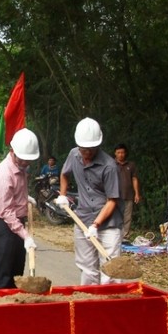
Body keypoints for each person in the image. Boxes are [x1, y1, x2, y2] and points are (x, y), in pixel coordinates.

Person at [57, 118, 122, 285]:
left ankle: (109, 305)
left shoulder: (109, 166)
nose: (86, 153)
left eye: (91, 149)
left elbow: (112, 201)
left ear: (98, 146)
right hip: (82, 218)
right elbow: (65, 173)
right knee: (86, 267)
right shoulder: (73, 154)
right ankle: (88, 301)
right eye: (84, 149)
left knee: (111, 269)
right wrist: (63, 195)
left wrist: (96, 225)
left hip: (107, 223)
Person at [0, 129, 40, 289]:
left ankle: (14, 307)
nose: (25, 163)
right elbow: (7, 212)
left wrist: (25, 199)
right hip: (2, 226)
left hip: (16, 223)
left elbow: (16, 192)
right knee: (3, 274)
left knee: (16, 272)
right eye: (23, 160)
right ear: (12, 152)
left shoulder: (21, 167)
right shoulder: (3, 174)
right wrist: (26, 235)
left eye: (28, 160)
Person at [114, 143, 141, 241]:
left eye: (122, 152)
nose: (121, 154)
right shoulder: (111, 164)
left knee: (127, 217)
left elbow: (134, 179)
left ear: (125, 153)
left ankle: (125, 237)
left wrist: (137, 193)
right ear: (115, 153)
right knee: (115, 217)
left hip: (128, 195)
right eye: (118, 152)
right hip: (115, 196)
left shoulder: (131, 165)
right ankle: (115, 237)